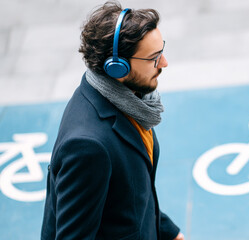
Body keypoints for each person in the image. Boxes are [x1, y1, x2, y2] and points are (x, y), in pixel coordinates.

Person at [41, 1, 185, 239]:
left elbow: (133, 196)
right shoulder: (88, 146)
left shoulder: (132, 102)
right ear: (117, 68)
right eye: (154, 58)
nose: (165, 63)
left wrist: (168, 232)